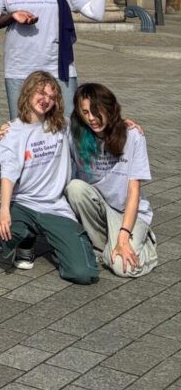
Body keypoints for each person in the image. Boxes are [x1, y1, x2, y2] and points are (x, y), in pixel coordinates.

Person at [0, 71, 99, 284]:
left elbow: (97, 121)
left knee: (83, 274)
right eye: (40, 93)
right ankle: (26, 241)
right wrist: (4, 211)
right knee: (1, 226)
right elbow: (9, 173)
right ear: (27, 93)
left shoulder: (63, 126)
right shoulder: (13, 132)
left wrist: (126, 125)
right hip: (23, 203)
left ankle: (61, 241)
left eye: (51, 96)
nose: (45, 100)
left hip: (55, 206)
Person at [66, 83, 156, 277]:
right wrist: (11, 128)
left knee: (124, 269)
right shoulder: (75, 134)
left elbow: (134, 191)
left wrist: (123, 236)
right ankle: (105, 248)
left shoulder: (132, 136)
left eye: (97, 111)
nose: (91, 118)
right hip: (99, 209)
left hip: (129, 214)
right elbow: (41, 128)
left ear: (110, 108)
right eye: (85, 112)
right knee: (75, 188)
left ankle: (143, 245)